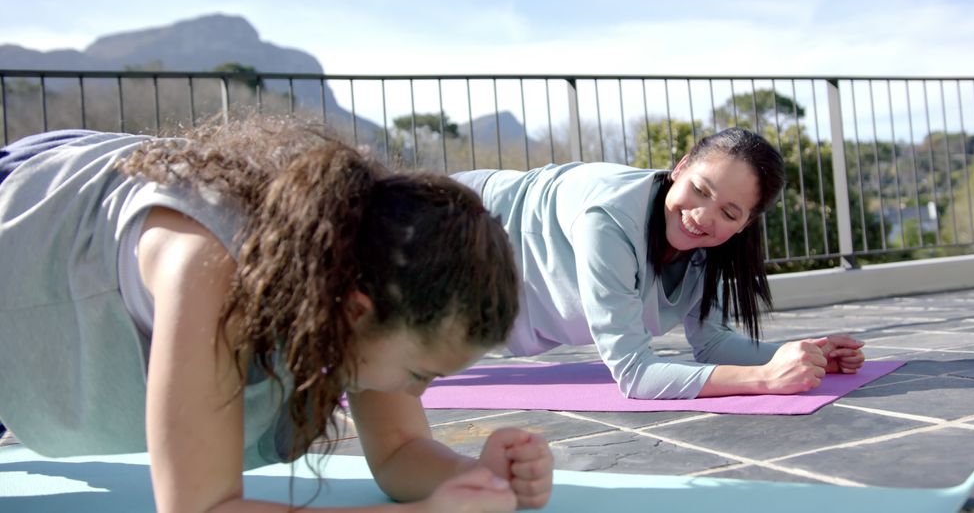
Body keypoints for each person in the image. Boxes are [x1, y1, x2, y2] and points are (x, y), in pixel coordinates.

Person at [0, 117, 553, 513]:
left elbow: (400, 453)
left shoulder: (361, 264)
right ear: (357, 312)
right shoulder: (214, 268)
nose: (418, 392)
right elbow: (199, 507)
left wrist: (473, 477)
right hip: (28, 226)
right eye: (419, 374)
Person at [452, 127, 865, 401]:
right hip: (455, 225)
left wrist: (799, 355)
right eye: (700, 190)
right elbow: (635, 375)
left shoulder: (710, 249)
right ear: (680, 167)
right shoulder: (608, 219)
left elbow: (714, 343)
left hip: (498, 293)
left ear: (747, 224)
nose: (703, 217)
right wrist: (765, 379)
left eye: (729, 212)